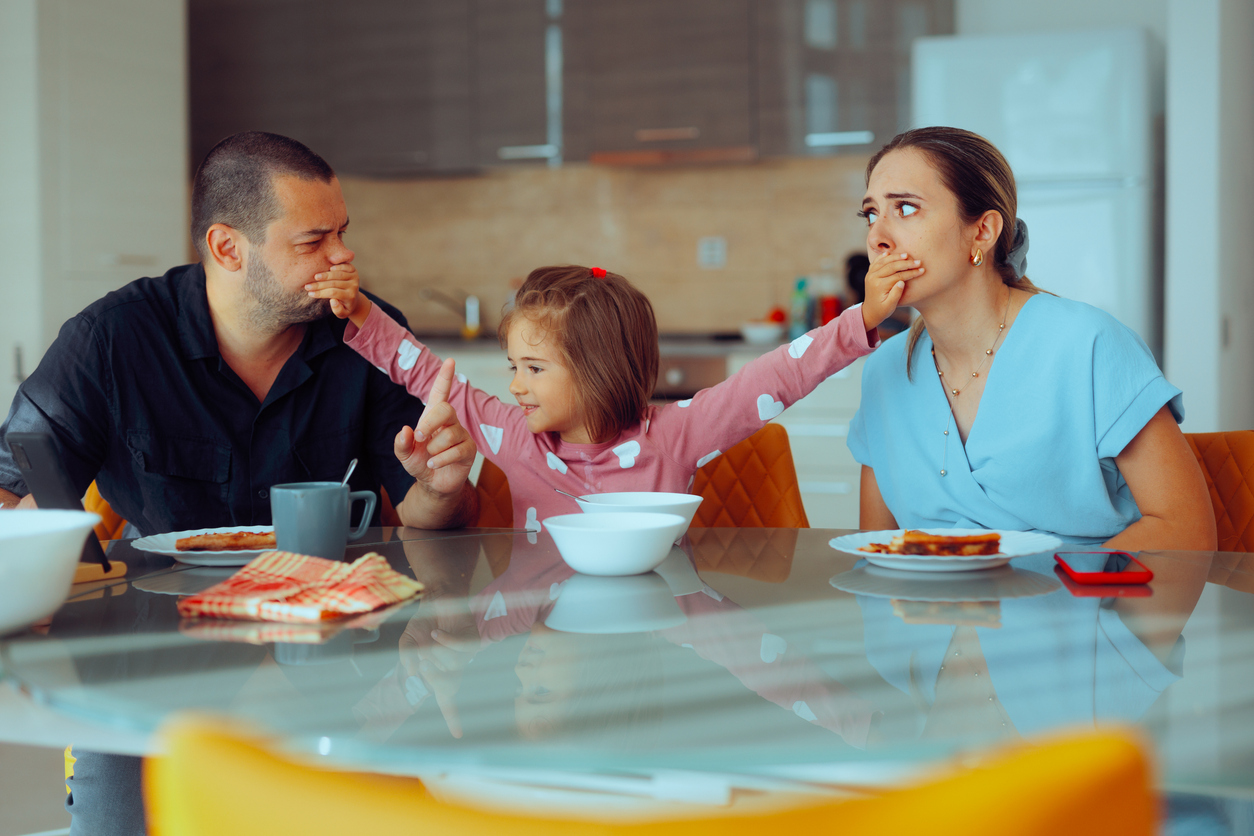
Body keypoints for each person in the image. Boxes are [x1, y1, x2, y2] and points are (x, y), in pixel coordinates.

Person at [0, 131, 479, 836]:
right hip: (149, 666)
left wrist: (441, 485)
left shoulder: (369, 336)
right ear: (227, 249)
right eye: (314, 241)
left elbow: (430, 517)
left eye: (342, 234)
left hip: (336, 659)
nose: (343, 257)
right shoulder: (113, 339)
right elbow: (10, 484)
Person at [305, 262, 910, 531]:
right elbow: (422, 371)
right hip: (543, 625)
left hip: (657, 631)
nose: (514, 384)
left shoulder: (675, 436)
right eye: (514, 365)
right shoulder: (513, 437)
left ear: (598, 368)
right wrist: (361, 313)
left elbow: (774, 377)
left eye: (534, 367)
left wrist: (860, 320)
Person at [847, 126, 1215, 550]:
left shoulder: (1089, 344)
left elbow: (1185, 528)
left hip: (1079, 608)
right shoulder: (883, 372)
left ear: (982, 231)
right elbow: (878, 549)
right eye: (871, 213)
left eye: (906, 208)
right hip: (924, 614)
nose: (877, 236)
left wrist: (1057, 608)